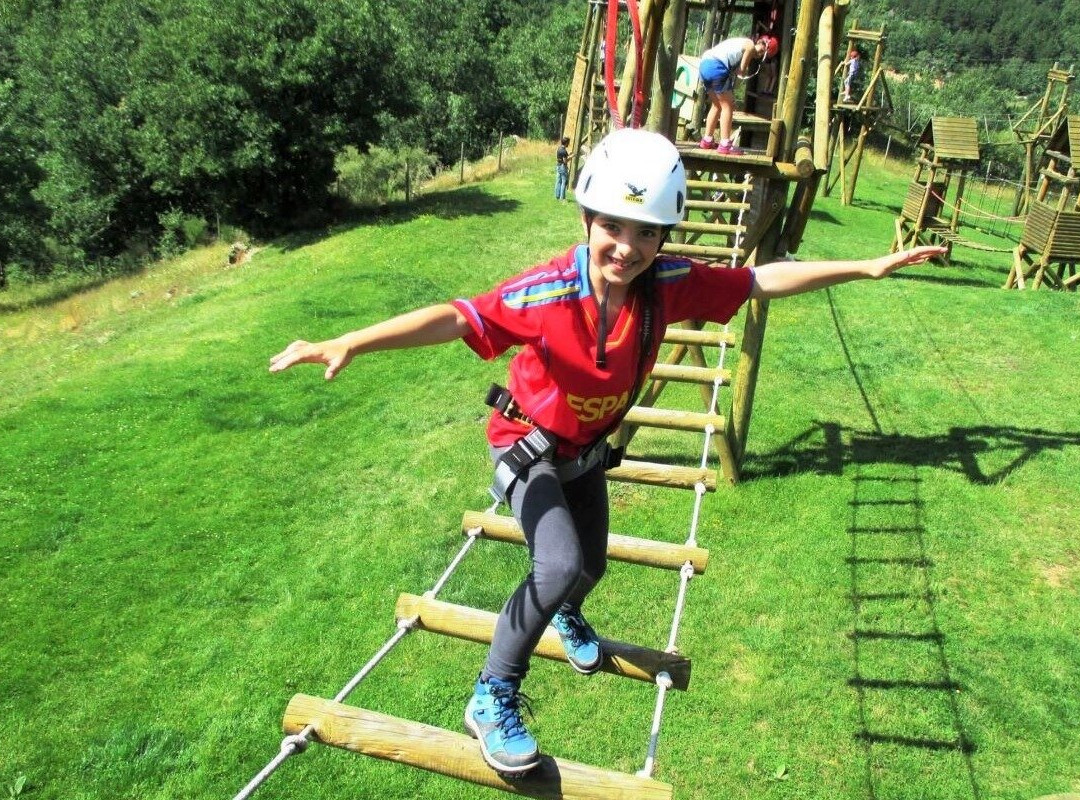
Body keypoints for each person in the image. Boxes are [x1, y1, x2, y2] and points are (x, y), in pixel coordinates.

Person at [269, 128, 945, 776]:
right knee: (558, 561)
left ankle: (563, 609)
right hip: (526, 447)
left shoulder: (669, 284)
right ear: (588, 219)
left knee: (587, 567)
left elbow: (758, 282)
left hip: (585, 453)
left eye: (647, 231)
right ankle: (491, 693)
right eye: (614, 228)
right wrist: (355, 339)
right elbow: (458, 317)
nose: (628, 247)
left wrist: (866, 265)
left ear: (664, 237)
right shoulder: (545, 293)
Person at [698, 34, 778, 155]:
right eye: (762, 51)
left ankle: (707, 140)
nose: (760, 55)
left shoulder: (739, 44)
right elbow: (741, 70)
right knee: (728, 106)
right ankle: (725, 144)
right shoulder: (749, 45)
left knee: (717, 105)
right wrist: (743, 71)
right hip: (716, 66)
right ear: (761, 44)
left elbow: (734, 69)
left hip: (704, 65)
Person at [555, 137, 570, 201]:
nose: (568, 144)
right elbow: (565, 161)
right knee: (564, 182)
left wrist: (568, 155)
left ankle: (557, 196)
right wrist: (572, 156)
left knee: (558, 181)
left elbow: (561, 158)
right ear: (566, 143)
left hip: (558, 165)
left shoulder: (559, 149)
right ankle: (562, 198)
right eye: (568, 143)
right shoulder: (564, 151)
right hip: (563, 167)